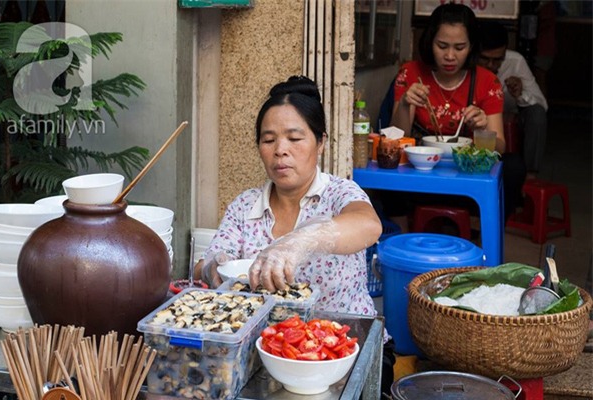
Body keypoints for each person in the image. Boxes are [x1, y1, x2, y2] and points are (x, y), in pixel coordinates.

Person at [192, 76, 395, 396]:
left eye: (295, 138)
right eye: (268, 139)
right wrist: (214, 269)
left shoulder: (340, 194)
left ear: (321, 142)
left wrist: (301, 241)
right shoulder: (245, 206)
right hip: (267, 355)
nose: (280, 151)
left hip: (341, 352)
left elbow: (368, 225)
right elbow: (209, 263)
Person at [390, 3, 526, 220]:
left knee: (513, 166)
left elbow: (499, 147)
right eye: (442, 46)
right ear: (429, 42)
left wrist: (483, 129)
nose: (450, 56)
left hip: (466, 177)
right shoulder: (411, 73)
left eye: (459, 47)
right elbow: (396, 136)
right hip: (422, 175)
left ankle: (480, 225)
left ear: (471, 47)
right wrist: (406, 103)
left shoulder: (486, 81)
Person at [478, 20, 548, 178]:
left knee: (536, 114)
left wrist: (520, 94)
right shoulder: (465, 62)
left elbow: (541, 104)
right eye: (484, 59)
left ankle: (530, 176)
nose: (490, 65)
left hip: (506, 120)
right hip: (476, 124)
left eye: (497, 60)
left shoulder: (515, 62)